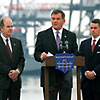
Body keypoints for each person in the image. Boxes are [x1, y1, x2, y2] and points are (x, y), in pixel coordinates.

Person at [34, 9, 78, 100]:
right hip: (49, 78)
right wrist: (41, 56)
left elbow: (75, 53)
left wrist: (68, 57)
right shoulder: (42, 35)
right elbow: (36, 53)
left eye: (58, 19)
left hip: (65, 78)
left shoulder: (71, 36)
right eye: (53, 19)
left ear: (64, 21)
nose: (55, 21)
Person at [0, 16, 25, 100]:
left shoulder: (17, 43)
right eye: (8, 27)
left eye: (11, 26)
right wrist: (10, 72)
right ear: (1, 28)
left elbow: (21, 60)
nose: (10, 29)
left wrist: (17, 71)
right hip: (2, 84)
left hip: (15, 84)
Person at [79, 19, 100, 100]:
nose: (93, 30)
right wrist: (86, 72)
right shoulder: (84, 44)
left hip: (98, 82)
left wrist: (95, 72)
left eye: (95, 28)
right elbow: (80, 60)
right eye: (91, 28)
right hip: (86, 84)